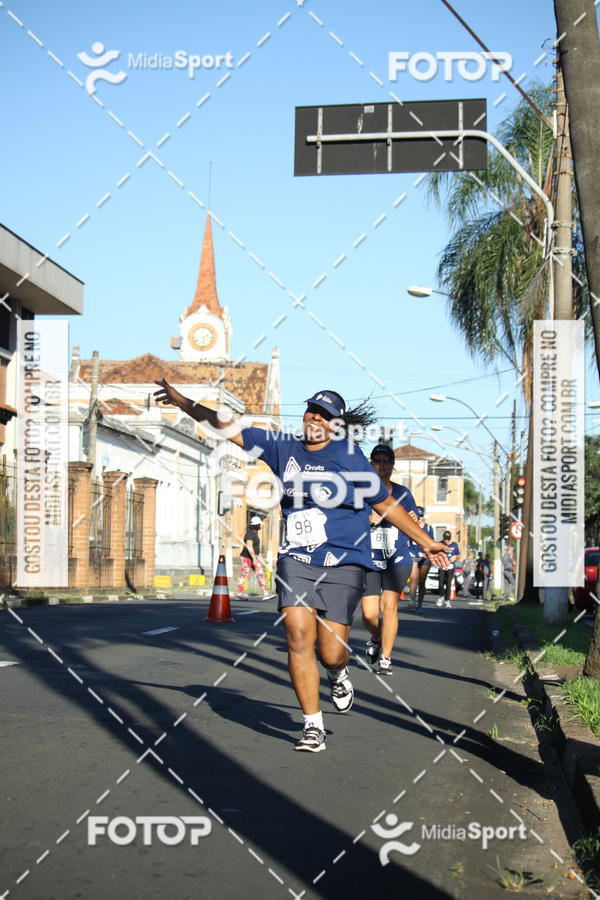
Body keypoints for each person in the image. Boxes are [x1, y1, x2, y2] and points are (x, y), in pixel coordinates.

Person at [153, 379, 450, 753]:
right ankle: (313, 725)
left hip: (344, 561)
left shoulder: (350, 457)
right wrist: (184, 403)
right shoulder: (282, 448)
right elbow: (228, 428)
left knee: (330, 651)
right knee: (296, 634)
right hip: (297, 558)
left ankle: (339, 672)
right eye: (311, 410)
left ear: (336, 425)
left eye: (324, 415)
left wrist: (426, 541)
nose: (315, 418)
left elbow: (385, 505)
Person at [361, 445, 418, 675]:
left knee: (389, 607)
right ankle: (376, 637)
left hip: (397, 557)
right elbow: (349, 524)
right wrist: (368, 520)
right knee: (369, 614)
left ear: (393, 465)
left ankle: (386, 658)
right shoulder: (362, 492)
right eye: (377, 460)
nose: (382, 465)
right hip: (370, 559)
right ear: (370, 463)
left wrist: (415, 520)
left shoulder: (404, 494)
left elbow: (416, 524)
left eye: (386, 461)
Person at [236, 515, 274, 600]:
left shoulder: (255, 534)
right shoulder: (249, 534)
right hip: (247, 557)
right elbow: (249, 547)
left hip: (254, 557)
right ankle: (239, 594)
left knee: (260, 573)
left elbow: (257, 550)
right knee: (244, 574)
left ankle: (266, 592)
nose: (260, 526)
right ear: (256, 525)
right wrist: (254, 559)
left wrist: (262, 561)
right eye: (259, 524)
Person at [408, 507, 434, 613]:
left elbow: (431, 542)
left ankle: (420, 604)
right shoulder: (410, 526)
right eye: (418, 516)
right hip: (413, 554)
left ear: (424, 517)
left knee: (421, 582)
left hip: (425, 557)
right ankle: (412, 601)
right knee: (413, 579)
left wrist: (427, 552)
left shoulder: (428, 529)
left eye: (421, 516)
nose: (419, 518)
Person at [436, 530, 460, 607]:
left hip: (450, 566)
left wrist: (455, 557)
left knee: (448, 583)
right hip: (442, 566)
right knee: (441, 583)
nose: (446, 540)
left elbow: (458, 555)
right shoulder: (440, 544)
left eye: (448, 539)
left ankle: (447, 600)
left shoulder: (454, 545)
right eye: (445, 538)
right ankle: (441, 597)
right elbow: (435, 553)